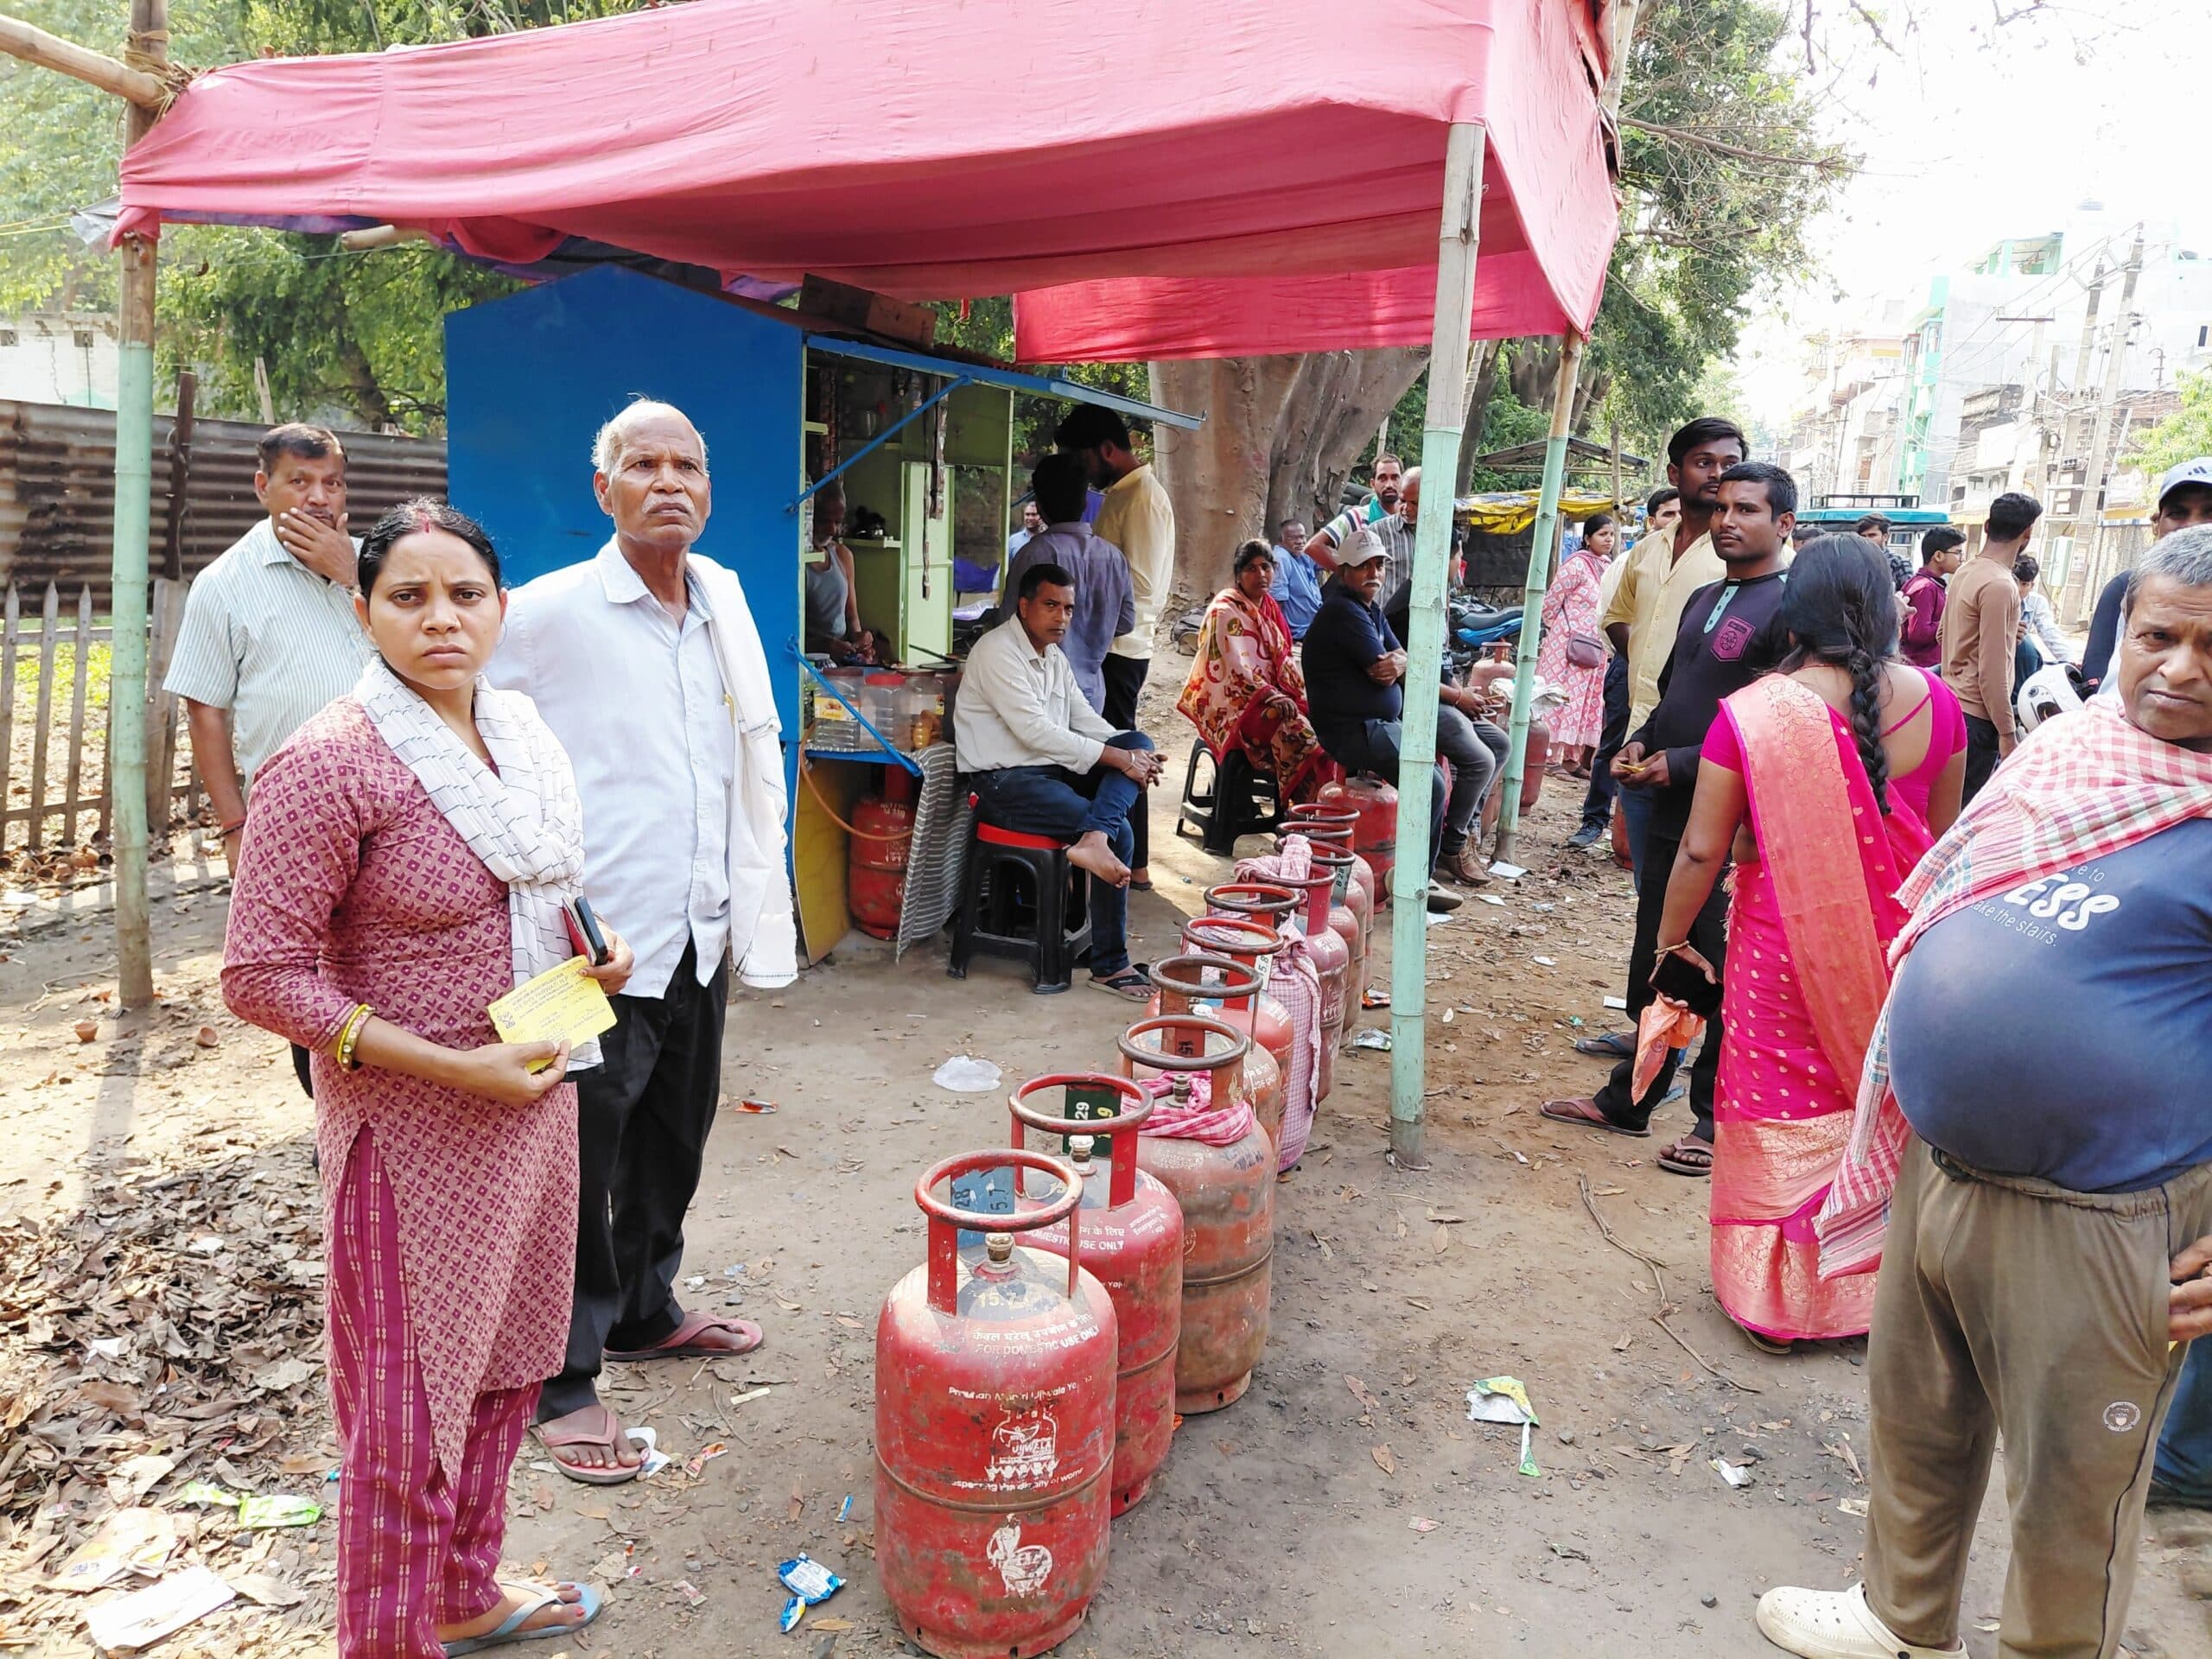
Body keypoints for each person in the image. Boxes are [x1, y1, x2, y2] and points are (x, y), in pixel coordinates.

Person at [1758, 524, 2212, 1659]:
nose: (2181, 668)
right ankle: (1898, 1618)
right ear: (2123, 633)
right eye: (2159, 635)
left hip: (2105, 1211)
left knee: (2074, 1484)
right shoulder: (2077, 754)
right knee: (1918, 1419)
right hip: (1941, 1163)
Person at [223, 500, 632, 1655]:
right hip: (409, 1142)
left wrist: (591, 964)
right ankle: (389, 1636)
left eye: (465, 594)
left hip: (535, 1106)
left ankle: (463, 1589)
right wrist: (454, 1064)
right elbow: (258, 976)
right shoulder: (330, 764)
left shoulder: (522, 734)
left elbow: (534, 902)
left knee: (507, 1372)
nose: (441, 618)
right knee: (405, 1415)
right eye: (408, 596)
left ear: (501, 608)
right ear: (363, 611)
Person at [489, 399, 795, 1484]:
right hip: (583, 949)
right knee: (573, 1159)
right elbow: (456, 712)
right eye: (643, 464)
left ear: (708, 490)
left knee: (674, 1137)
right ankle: (562, 1376)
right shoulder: (546, 613)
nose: (670, 482)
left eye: (689, 466)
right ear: (602, 489)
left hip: (699, 931)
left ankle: (645, 1309)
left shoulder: (722, 599)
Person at [1652, 536, 1964, 1352]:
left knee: (1775, 1103)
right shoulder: (1939, 704)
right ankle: (1867, 1289)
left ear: (1797, 611)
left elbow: (1698, 850)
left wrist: (1670, 939)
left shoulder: (1756, 712)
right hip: (1897, 950)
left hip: (1781, 949)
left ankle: (1782, 1306)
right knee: (1866, 1100)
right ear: (1889, 607)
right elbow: (1938, 847)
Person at [1542, 461, 1796, 1176]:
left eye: (1747, 509)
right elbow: (1683, 693)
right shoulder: (1706, 597)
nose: (1727, 521)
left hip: (1730, 811)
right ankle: (1632, 1099)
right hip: (1667, 800)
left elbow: (1768, 720)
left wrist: (1682, 762)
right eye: (1720, 508)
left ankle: (1715, 1124)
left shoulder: (1788, 609)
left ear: (1784, 524)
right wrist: (1644, 739)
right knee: (1664, 952)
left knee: (1721, 966)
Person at [165, 423, 374, 1096]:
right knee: (308, 983)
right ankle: (336, 1125)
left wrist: (352, 574)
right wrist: (234, 828)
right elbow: (206, 710)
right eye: (300, 482)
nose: (319, 498)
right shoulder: (224, 584)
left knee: (392, 962)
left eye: (332, 483)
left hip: (403, 807)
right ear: (263, 488)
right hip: (295, 825)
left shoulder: (380, 566)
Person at [957, 561, 1162, 998]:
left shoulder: (1053, 656)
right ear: (1025, 605)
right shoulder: (997, 652)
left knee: (1136, 737)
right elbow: (1035, 731)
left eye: (1068, 608)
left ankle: (1094, 838)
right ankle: (1110, 965)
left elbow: (1081, 718)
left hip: (1048, 770)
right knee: (1120, 827)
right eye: (1051, 606)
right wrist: (1121, 759)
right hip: (1003, 783)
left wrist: (1134, 755)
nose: (1062, 617)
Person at [1600, 418, 1744, 877]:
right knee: (1650, 889)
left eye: (1730, 464)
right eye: (1704, 462)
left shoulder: (1741, 554)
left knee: (1700, 891)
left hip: (1706, 755)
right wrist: (1653, 663)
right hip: (1640, 742)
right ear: (1674, 474)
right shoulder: (1646, 551)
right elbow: (1616, 618)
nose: (1717, 474)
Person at [1301, 528, 1464, 912]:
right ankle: (1414, 881)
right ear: (1343, 570)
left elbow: (1399, 660)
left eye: (1379, 565)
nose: (1374, 573)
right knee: (1432, 785)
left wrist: (1400, 662)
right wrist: (1397, 663)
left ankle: (1408, 871)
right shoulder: (1342, 609)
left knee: (1435, 769)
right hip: (1353, 731)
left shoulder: (1368, 608)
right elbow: (1380, 667)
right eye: (1364, 566)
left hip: (1375, 725)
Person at [1057, 404, 1173, 891]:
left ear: (1105, 450)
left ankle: (1137, 861)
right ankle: (1125, 852)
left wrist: (1086, 592)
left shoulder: (1141, 496)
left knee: (1125, 751)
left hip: (1121, 648)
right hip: (1111, 644)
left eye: (1080, 460)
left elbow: (1141, 584)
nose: (1079, 473)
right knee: (1117, 748)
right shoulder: (1125, 494)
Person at [1571, 489, 1681, 852]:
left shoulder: (1711, 561)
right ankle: (1594, 820)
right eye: (1668, 514)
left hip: (1681, 675)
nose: (1676, 520)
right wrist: (1639, 658)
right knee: (1614, 743)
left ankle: (1640, 839)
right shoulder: (1632, 561)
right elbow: (1610, 617)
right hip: (1628, 664)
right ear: (1652, 521)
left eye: (1681, 512)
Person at [1177, 540, 1323, 802]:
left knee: (1325, 723)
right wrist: (1270, 694)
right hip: (1235, 705)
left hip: (1268, 697)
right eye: (1251, 569)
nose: (1261, 575)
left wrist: (1288, 693)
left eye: (1266, 567)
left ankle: (1312, 814)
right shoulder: (1224, 611)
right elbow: (1232, 668)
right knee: (1301, 735)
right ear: (1238, 575)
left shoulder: (1269, 607)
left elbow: (1284, 657)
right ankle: (1300, 811)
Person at [1002, 453, 1135, 714]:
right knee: (1083, 753)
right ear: (1086, 502)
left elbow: (1008, 624)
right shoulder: (1113, 557)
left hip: (1039, 694)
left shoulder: (1035, 553)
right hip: (1091, 694)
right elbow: (1126, 622)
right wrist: (1090, 630)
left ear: (1038, 507)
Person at [1939, 490, 2039, 804]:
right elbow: (1991, 672)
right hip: (1977, 719)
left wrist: (2007, 638)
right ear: (2027, 533)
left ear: (1986, 527)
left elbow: (1945, 635)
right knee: (1959, 813)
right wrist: (2008, 733)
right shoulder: (2001, 585)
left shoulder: (1966, 571)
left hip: (1948, 704)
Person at [2084, 456, 2212, 689]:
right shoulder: (2126, 587)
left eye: (2209, 513)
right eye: (2178, 513)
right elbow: (2094, 673)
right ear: (2157, 523)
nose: (2194, 525)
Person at [1536, 513, 1618, 778]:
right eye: (1603, 534)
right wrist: (1561, 632)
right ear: (1587, 538)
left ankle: (1571, 759)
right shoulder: (1576, 565)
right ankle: (1547, 757)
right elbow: (1551, 602)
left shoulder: (1608, 566)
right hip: (1566, 646)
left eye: (1612, 534)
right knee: (1560, 698)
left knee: (1584, 702)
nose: (1609, 539)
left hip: (1594, 647)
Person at [802, 477, 877, 664]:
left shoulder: (842, 556)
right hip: (808, 663)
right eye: (825, 521)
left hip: (840, 662)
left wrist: (862, 641)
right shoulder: (796, 563)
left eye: (838, 522)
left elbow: (852, 620)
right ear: (809, 516)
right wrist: (823, 645)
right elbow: (785, 636)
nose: (832, 530)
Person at [1303, 454, 1414, 575]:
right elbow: (1313, 546)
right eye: (1382, 478)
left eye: (1395, 478)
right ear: (1372, 484)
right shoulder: (1356, 518)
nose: (1389, 484)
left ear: (1403, 481)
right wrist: (1347, 576)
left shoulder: (1411, 520)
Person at [1897, 526, 1964, 671]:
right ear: (1938, 556)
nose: (1962, 559)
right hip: (1922, 667)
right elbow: (1919, 633)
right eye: (1957, 553)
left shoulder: (1929, 584)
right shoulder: (1926, 588)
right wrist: (1951, 620)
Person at [1269, 518, 1324, 641]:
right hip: (1301, 631)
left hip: (1315, 623)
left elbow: (1330, 562)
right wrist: (1281, 636)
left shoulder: (1303, 553)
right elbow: (1277, 602)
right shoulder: (1282, 557)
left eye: (1302, 537)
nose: (1299, 541)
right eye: (1292, 538)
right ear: (1280, 541)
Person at [1858, 512, 1908, 588]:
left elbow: (1908, 594)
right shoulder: (1855, 562)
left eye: (1872, 535)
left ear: (1885, 537)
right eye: (1863, 536)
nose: (1866, 540)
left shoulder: (1899, 563)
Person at [1007, 499, 1044, 563]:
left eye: (1033, 514)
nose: (1030, 518)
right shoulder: (1013, 540)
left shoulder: (1047, 539)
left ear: (1041, 516)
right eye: (1027, 514)